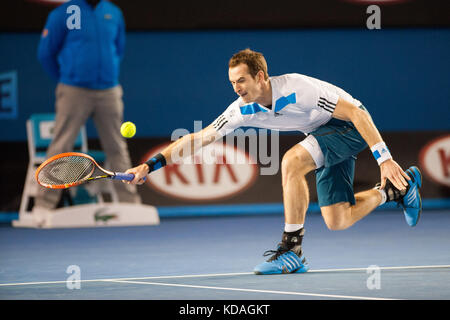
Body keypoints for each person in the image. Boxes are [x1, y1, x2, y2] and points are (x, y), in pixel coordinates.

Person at [124, 49, 422, 275]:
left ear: (261, 76)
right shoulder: (241, 109)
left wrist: (384, 159)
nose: (237, 88)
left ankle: (292, 249)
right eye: (232, 82)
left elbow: (357, 114)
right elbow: (199, 138)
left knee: (292, 161)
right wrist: (150, 165)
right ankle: (398, 190)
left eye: (241, 80)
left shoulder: (298, 89)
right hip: (322, 133)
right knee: (338, 219)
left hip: (351, 125)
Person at [33, 0, 141, 222]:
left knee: (117, 147)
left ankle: (130, 205)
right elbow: (45, 53)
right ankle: (43, 207)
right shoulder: (62, 13)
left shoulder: (113, 12)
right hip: (74, 90)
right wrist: (68, 79)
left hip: (109, 90)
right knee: (61, 146)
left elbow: (118, 49)